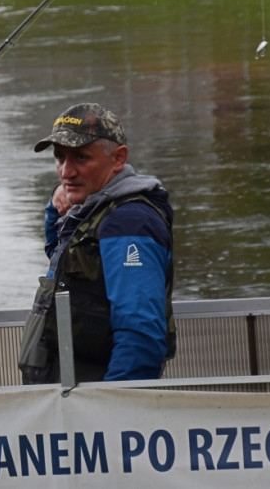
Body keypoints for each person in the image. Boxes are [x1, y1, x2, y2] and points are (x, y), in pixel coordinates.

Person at [18, 103, 175, 384]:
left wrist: (109, 409)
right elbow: (63, 262)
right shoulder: (92, 209)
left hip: (95, 408)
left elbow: (141, 336)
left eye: (80, 157)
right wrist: (55, 208)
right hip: (68, 399)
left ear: (118, 158)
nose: (66, 172)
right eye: (60, 157)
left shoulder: (129, 222)